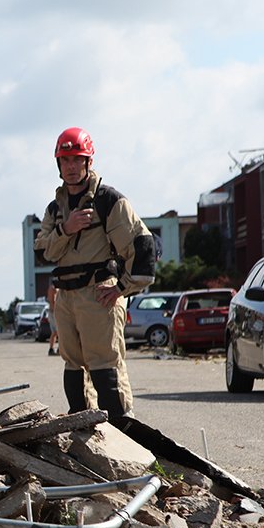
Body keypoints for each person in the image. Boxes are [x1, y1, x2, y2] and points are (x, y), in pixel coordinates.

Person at [34, 127, 156, 422]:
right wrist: (67, 228)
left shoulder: (108, 200)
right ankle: (83, 428)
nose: (71, 167)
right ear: (58, 165)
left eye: (78, 159)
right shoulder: (56, 208)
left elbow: (143, 245)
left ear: (89, 161)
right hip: (66, 297)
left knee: (104, 364)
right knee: (72, 364)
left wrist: (121, 288)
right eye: (65, 161)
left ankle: (122, 431)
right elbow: (41, 251)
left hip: (98, 292)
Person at [46, 282, 59, 356]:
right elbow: (52, 300)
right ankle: (55, 349)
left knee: (55, 332)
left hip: (52, 311)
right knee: (57, 331)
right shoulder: (53, 288)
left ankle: (53, 349)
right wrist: (56, 312)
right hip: (54, 312)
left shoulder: (53, 288)